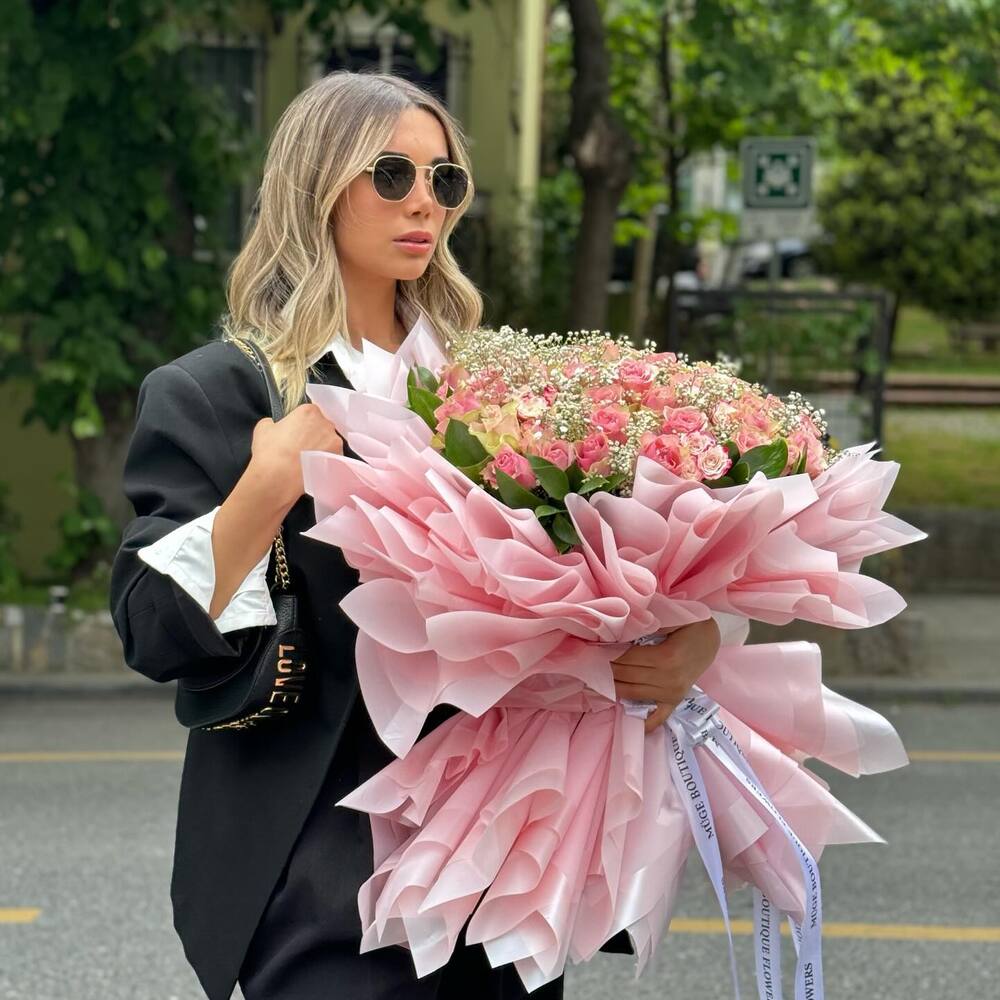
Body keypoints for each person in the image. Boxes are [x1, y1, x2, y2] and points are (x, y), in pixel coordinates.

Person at [109, 70, 721, 1000]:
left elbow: (597, 584)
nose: (424, 202)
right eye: (391, 174)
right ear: (318, 182)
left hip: (502, 842)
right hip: (318, 852)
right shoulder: (216, 394)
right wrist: (262, 493)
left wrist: (687, 642)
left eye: (446, 181)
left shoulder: (503, 392)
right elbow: (151, 631)